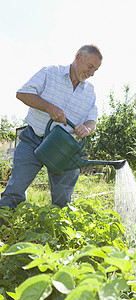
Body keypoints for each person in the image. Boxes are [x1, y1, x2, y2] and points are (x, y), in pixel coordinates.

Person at [0, 44, 103, 210]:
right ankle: (3, 225)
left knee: (63, 201)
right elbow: (22, 93)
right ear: (78, 58)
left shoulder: (90, 91)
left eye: (95, 70)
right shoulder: (50, 72)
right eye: (90, 67)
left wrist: (87, 128)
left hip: (63, 149)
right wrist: (49, 107)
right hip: (34, 139)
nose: (91, 73)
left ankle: (56, 231)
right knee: (15, 190)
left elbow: (92, 119)